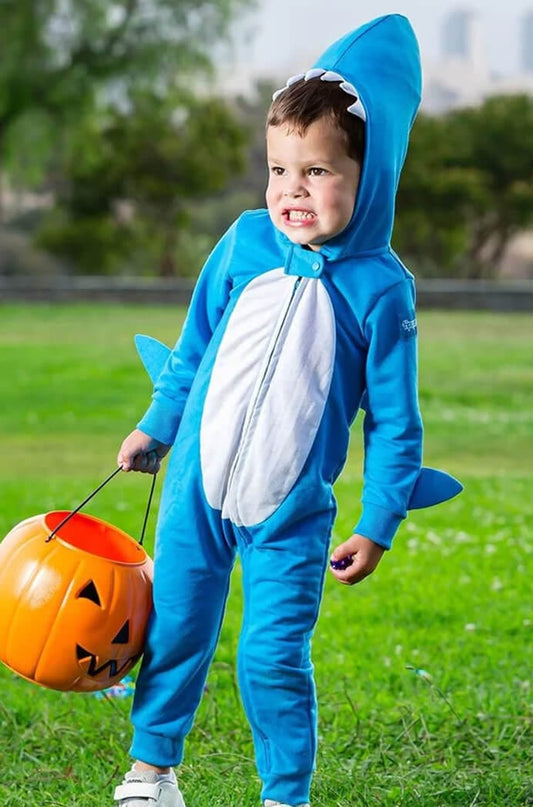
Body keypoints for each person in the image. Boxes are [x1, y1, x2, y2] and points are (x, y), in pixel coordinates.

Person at [113, 14, 461, 807]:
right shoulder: (242, 243)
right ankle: (151, 771)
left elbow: (394, 422)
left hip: (290, 514)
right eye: (278, 169)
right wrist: (156, 427)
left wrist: (377, 521)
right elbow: (192, 347)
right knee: (174, 630)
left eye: (317, 171)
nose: (291, 190)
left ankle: (284, 794)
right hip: (196, 491)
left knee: (270, 657)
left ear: (369, 174)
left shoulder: (381, 289)